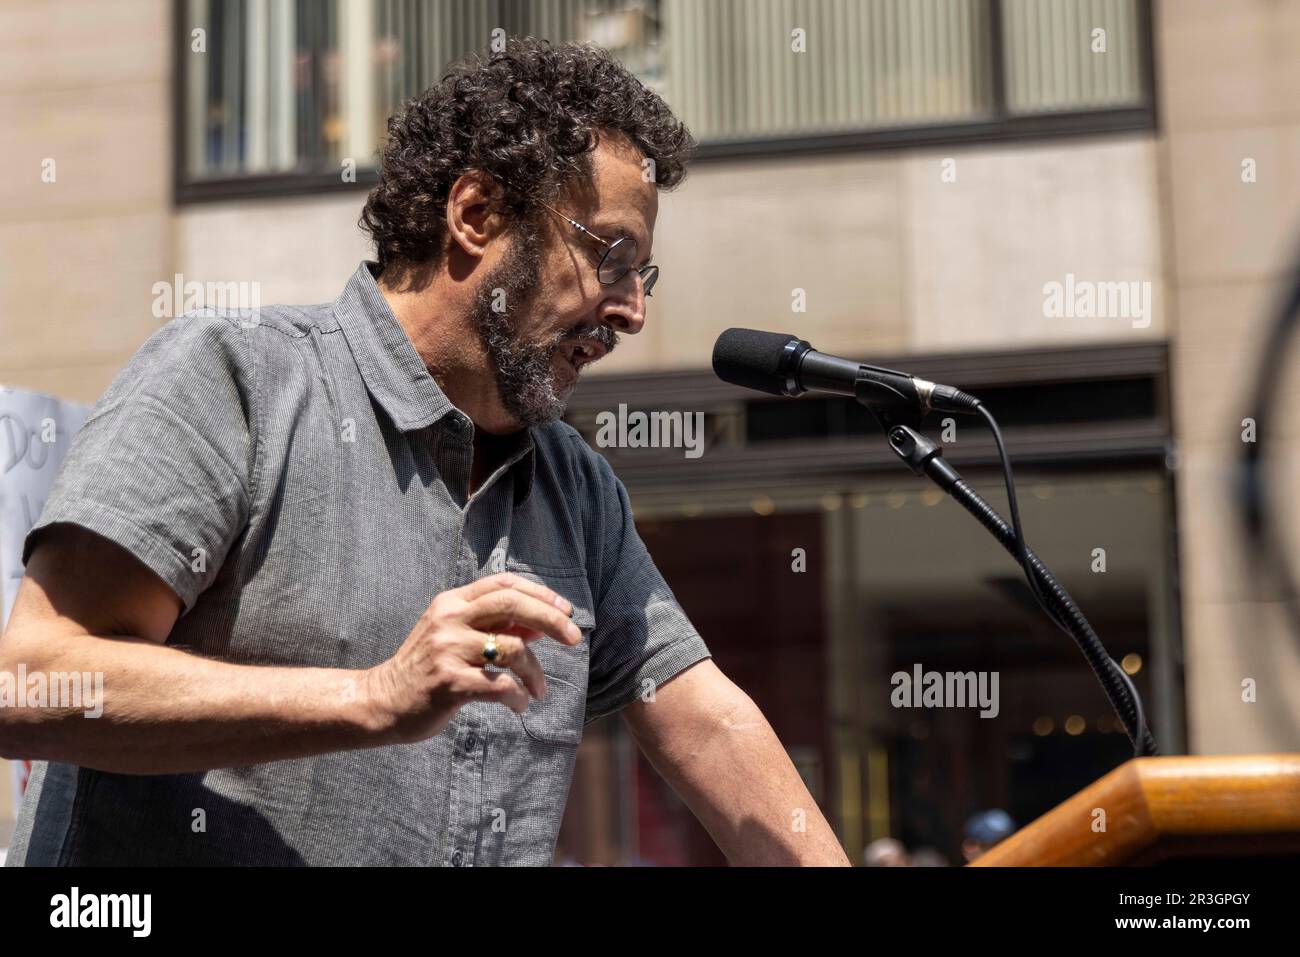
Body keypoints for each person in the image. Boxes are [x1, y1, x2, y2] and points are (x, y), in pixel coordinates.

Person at [0, 38, 848, 867]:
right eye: (611, 258)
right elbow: (28, 682)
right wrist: (373, 696)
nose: (630, 312)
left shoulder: (578, 488)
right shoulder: (236, 376)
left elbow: (704, 720)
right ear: (476, 216)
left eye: (642, 277)